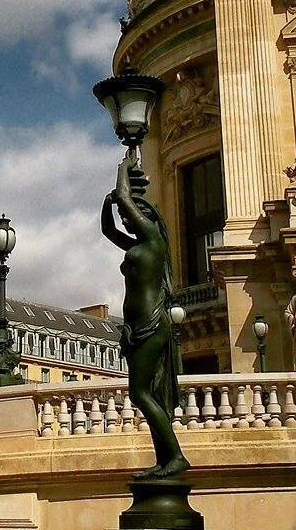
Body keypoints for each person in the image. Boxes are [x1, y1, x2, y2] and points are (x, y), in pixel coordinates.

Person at [102, 154, 188, 478]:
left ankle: (176, 456)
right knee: (147, 393)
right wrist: (106, 203)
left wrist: (122, 168)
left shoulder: (152, 240)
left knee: (140, 392)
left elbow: (125, 197)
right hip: (137, 327)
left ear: (146, 217)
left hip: (152, 324)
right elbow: (107, 229)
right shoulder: (137, 245)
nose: (126, 220)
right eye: (126, 217)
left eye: (130, 216)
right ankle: (165, 460)